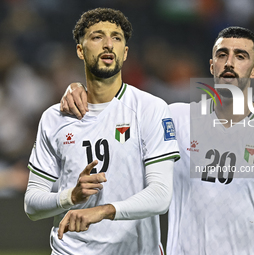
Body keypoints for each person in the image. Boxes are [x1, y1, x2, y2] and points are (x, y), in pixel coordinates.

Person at [60, 27, 254, 255]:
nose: (229, 62)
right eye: (222, 54)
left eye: (240, 56)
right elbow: (116, 115)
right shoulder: (177, 118)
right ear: (212, 64)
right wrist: (77, 88)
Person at [24, 8, 180, 255]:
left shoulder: (150, 108)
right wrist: (70, 197)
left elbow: (160, 196)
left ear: (125, 52)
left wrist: (103, 210)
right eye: (97, 37)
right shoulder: (54, 118)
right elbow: (32, 204)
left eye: (116, 38)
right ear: (80, 50)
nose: (108, 44)